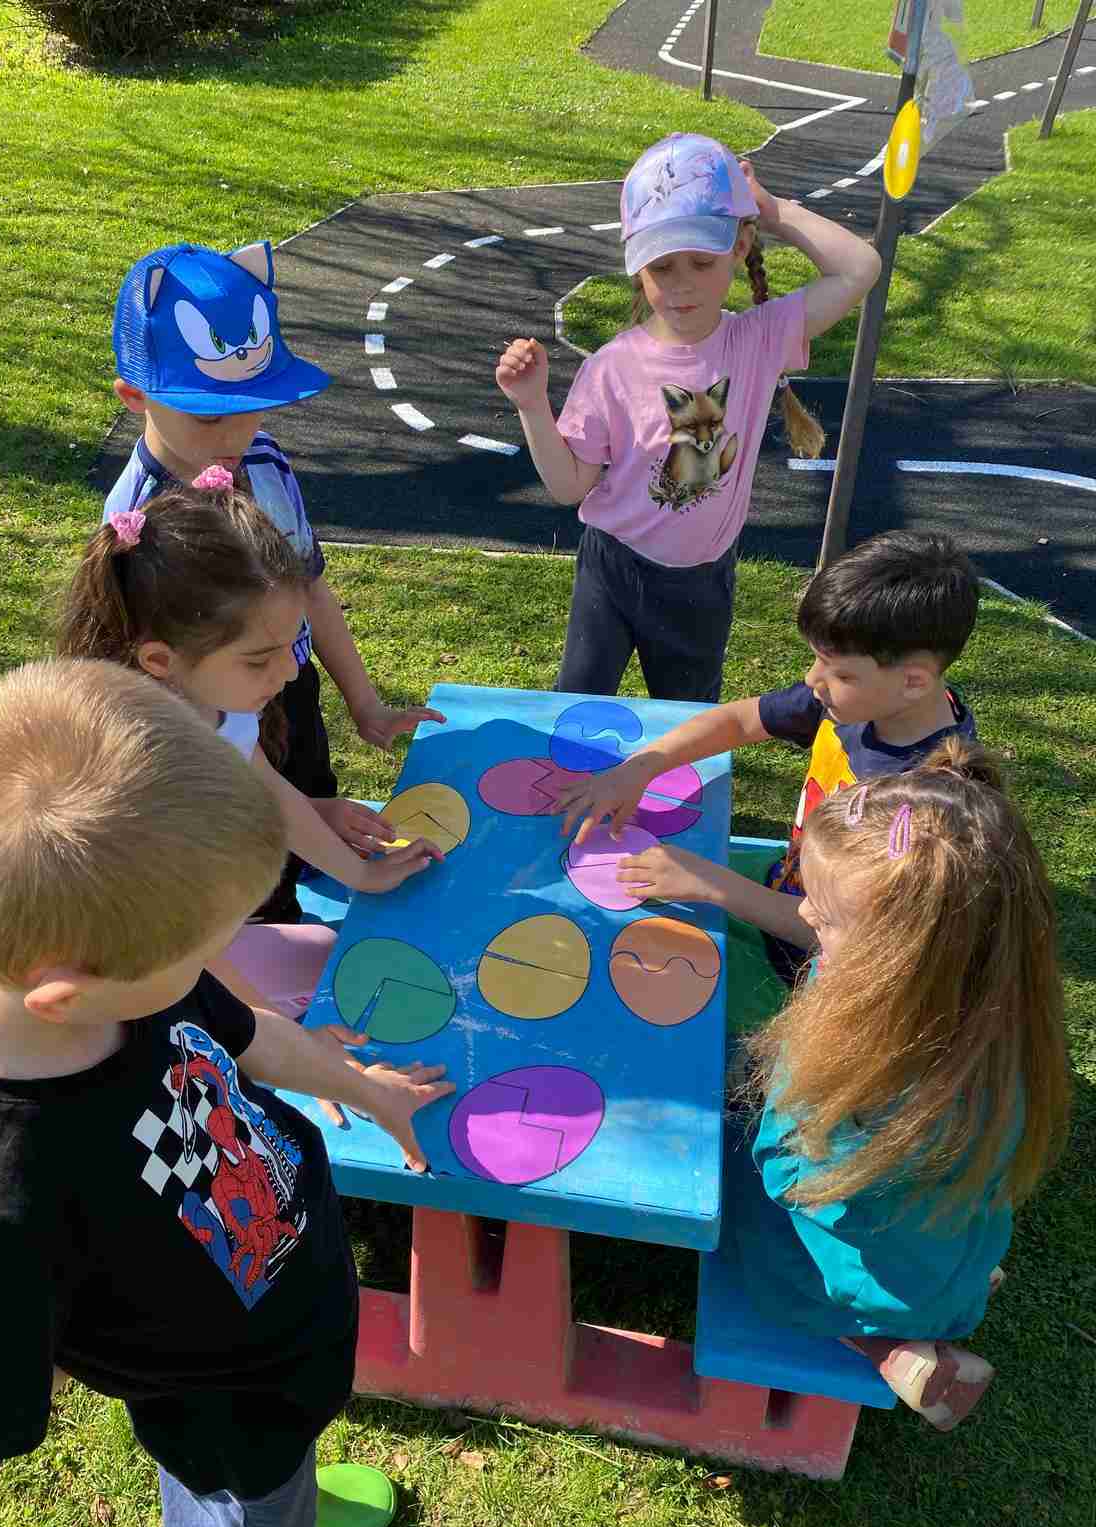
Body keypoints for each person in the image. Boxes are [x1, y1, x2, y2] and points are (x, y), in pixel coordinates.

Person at [0, 659, 454, 1527]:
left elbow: (251, 1033)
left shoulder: (121, 972)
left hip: (282, 1340)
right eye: (200, 953)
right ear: (66, 991)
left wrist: (367, 1089)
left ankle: (289, 1496)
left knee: (273, 1496)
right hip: (227, 1422)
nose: (210, 971)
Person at [723, 741, 1070, 1428]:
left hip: (867, 1283)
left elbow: (790, 1179)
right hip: (952, 1253)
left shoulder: (876, 1069)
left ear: (899, 954)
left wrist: (764, 1096)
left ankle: (885, 1348)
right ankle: (940, 1301)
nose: (807, 917)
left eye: (826, 915)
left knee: (735, 1182)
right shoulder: (999, 1016)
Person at [106, 237, 445, 915]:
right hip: (200, 735)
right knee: (252, 891)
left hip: (283, 694)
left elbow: (309, 587)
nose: (236, 435)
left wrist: (362, 705)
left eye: (254, 404)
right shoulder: (136, 523)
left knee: (302, 836)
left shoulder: (264, 462)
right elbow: (213, 748)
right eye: (210, 413)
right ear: (134, 396)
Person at [495, 132, 880, 704]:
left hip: (702, 583)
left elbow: (860, 267)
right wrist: (532, 405)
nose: (682, 284)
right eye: (661, 267)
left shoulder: (759, 340)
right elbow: (569, 486)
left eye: (702, 261)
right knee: (576, 708)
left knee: (687, 720)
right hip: (612, 568)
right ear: (639, 269)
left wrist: (772, 209)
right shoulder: (611, 367)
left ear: (740, 246)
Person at [557, 531, 981, 1033]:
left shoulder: (921, 807)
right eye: (817, 658)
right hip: (783, 885)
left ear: (914, 681)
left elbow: (848, 936)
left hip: (802, 973)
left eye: (838, 672)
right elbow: (740, 721)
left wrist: (708, 883)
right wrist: (640, 767)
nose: (812, 681)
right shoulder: (866, 702)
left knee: (624, 990)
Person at [58, 477, 441, 1023]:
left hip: (209, 943)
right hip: (136, 988)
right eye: (260, 659)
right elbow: (182, 954)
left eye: (290, 645)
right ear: (161, 661)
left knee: (342, 962)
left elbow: (267, 788)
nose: (289, 672)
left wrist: (361, 875)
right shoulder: (143, 776)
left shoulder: (219, 707)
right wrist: (278, 1036)